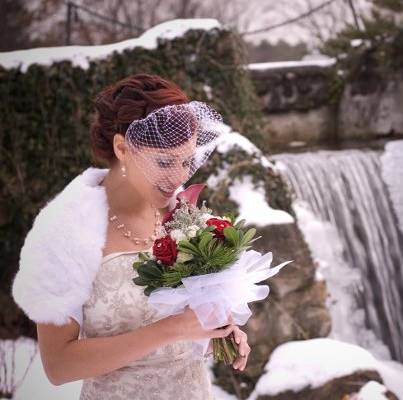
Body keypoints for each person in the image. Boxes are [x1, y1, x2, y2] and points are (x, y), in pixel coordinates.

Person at [11, 73, 250, 399]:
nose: (179, 176)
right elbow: (58, 366)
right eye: (164, 161)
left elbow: (195, 319)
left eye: (186, 160)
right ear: (122, 148)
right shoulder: (66, 231)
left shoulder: (185, 215)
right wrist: (172, 329)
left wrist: (219, 333)